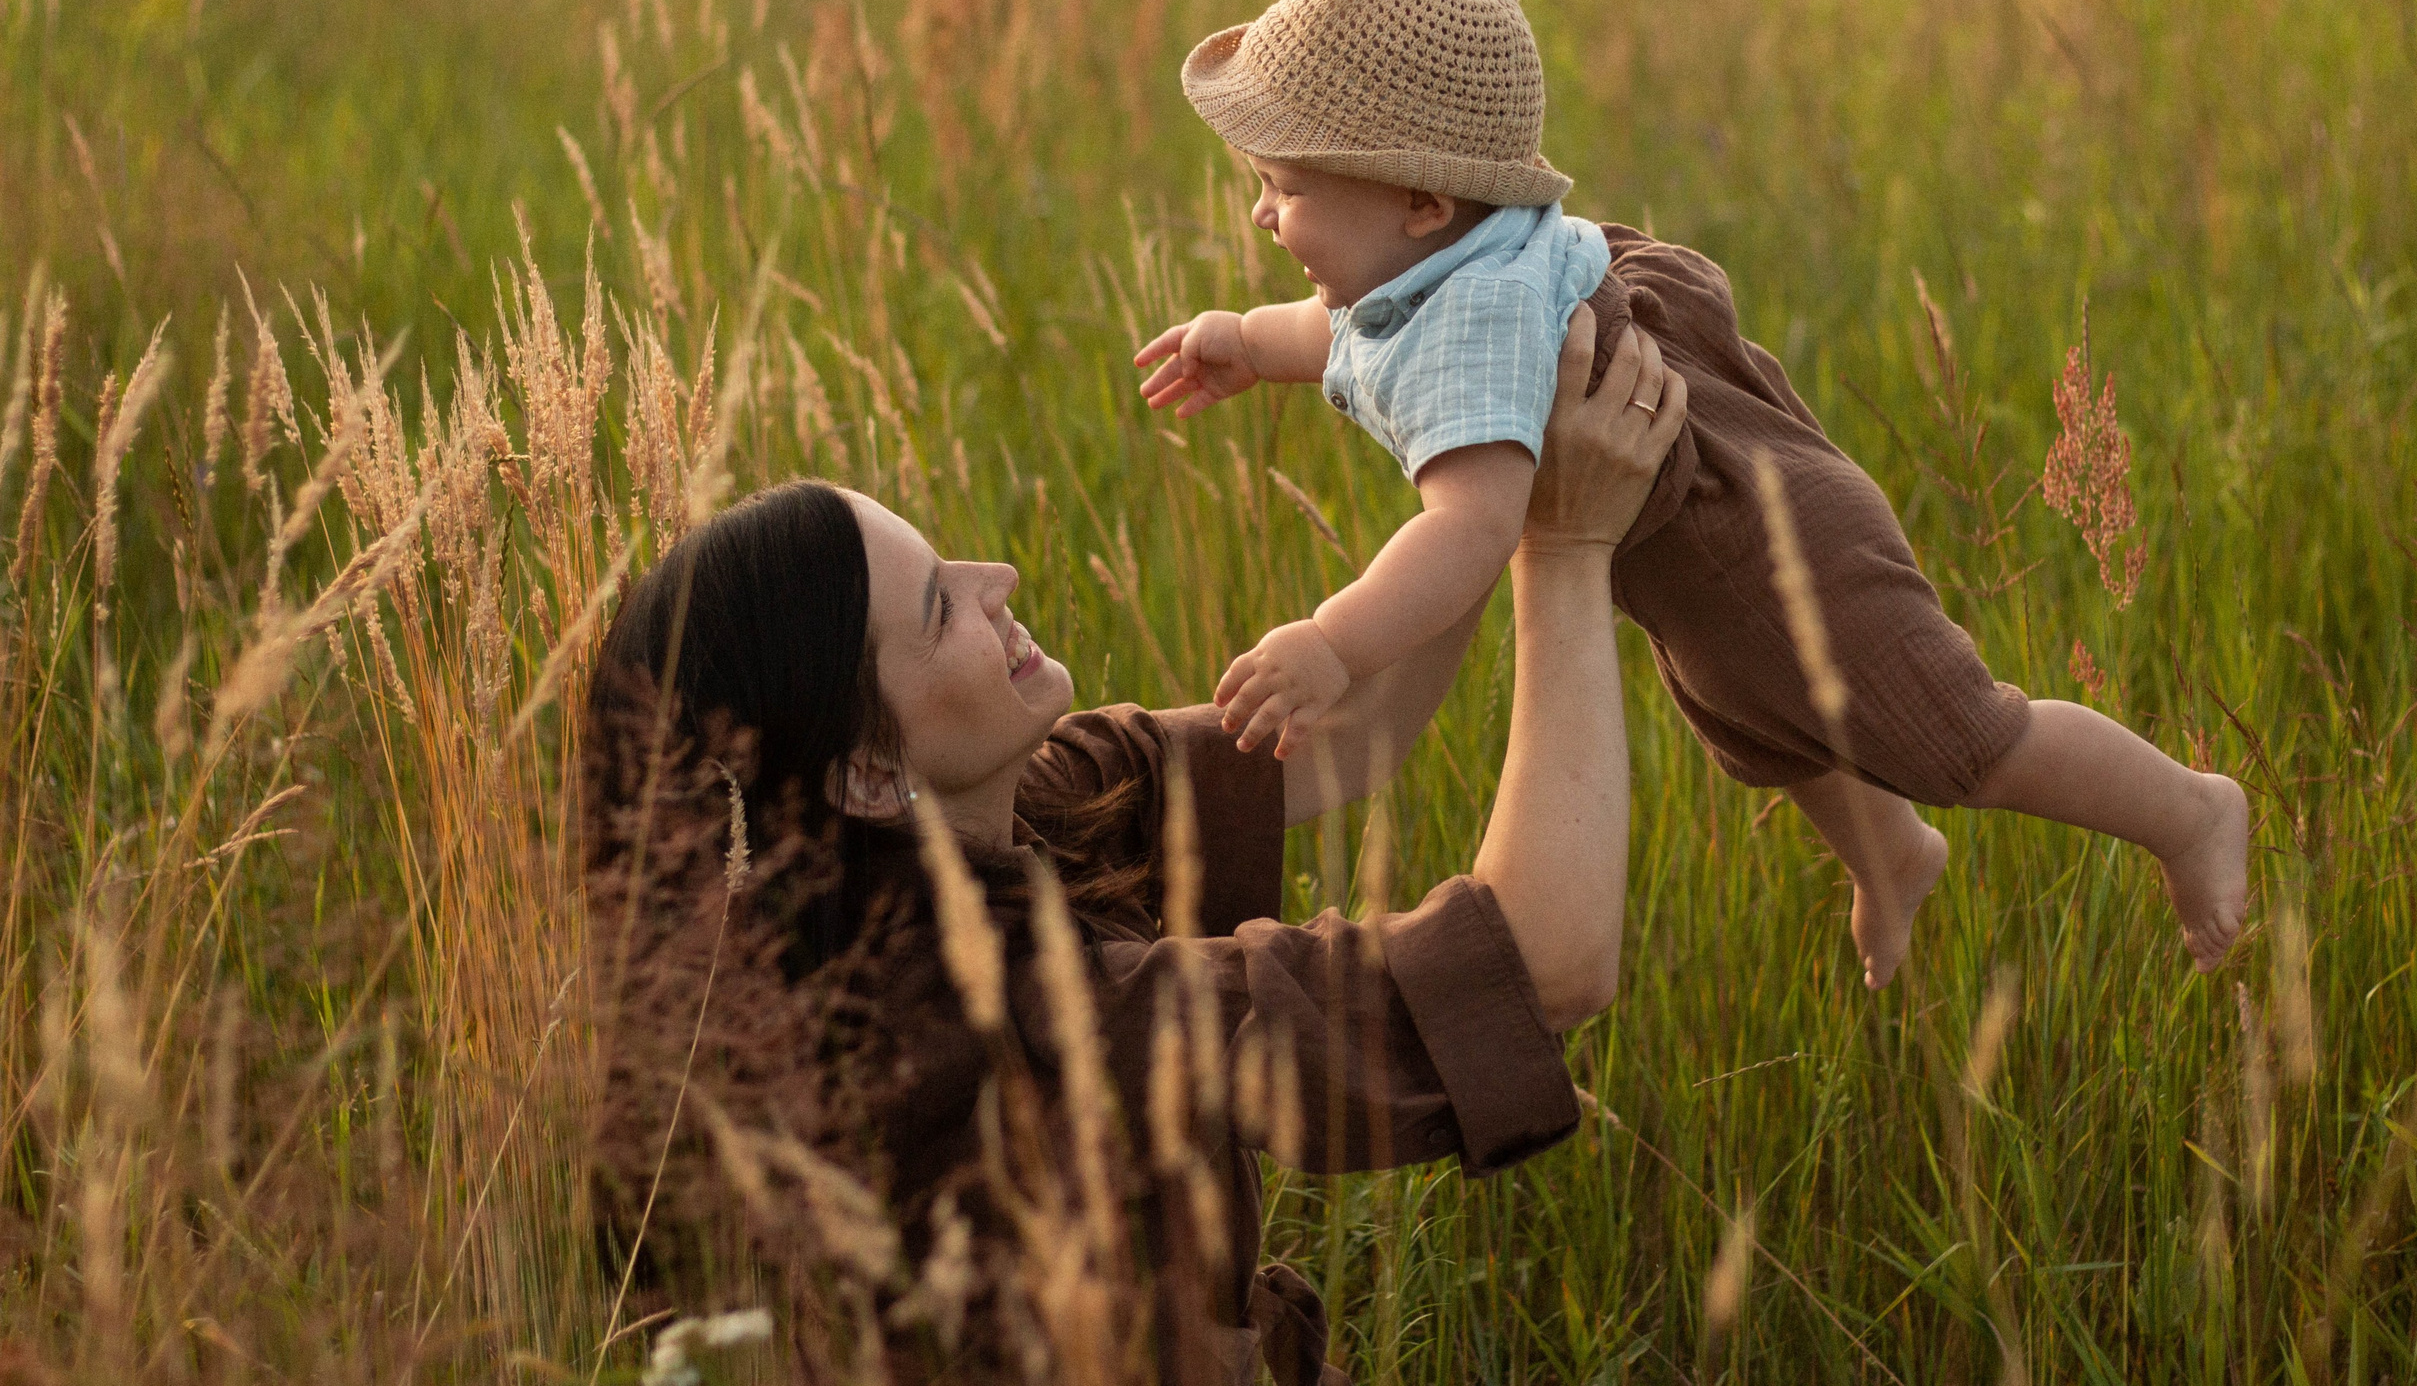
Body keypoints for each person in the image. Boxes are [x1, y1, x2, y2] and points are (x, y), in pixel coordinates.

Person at [1135, 0, 2250, 986]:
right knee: (1750, 703)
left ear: (1424, 201)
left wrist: (1332, 642)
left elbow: (1469, 527)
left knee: (1954, 732)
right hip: (1682, 504)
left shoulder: (1477, 322)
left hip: (1753, 509)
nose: (1261, 220)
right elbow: (1358, 327)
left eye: (1283, 191)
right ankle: (1891, 851)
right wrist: (1243, 340)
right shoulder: (1445, 260)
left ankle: (2185, 807)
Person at [582, 308, 1682, 1383]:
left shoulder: (966, 823)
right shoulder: (1027, 1018)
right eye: (937, 607)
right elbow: (1551, 962)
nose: (996, 583)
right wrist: (1566, 543)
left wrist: (1481, 465)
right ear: (869, 772)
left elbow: (1348, 734)